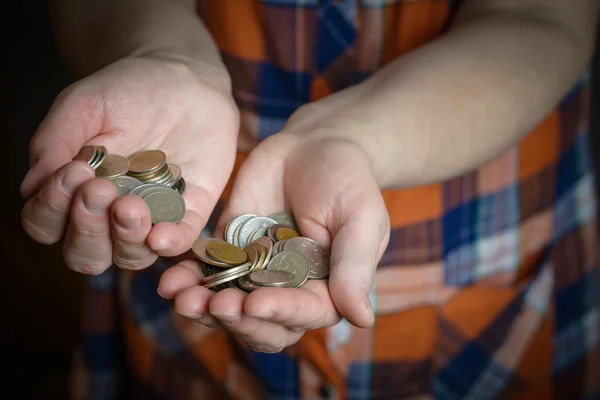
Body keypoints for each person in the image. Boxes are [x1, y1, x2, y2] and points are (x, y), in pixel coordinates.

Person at [20, 0, 599, 398]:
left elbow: (542, 17)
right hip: (184, 250)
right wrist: (161, 52)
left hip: (486, 254)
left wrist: (353, 137)